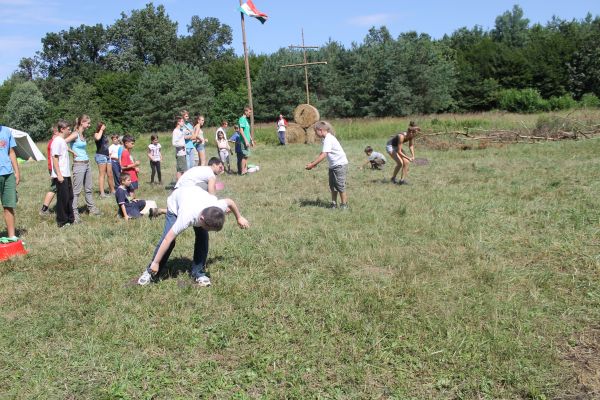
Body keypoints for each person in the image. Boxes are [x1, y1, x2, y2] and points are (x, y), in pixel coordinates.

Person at [136, 185, 249, 287]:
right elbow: (167, 239)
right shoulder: (186, 217)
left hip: (194, 195)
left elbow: (229, 201)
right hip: (176, 203)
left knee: (203, 239)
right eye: (207, 228)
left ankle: (198, 273)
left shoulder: (217, 207)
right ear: (202, 219)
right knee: (170, 241)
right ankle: (150, 272)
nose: (208, 231)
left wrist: (239, 217)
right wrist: (156, 263)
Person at [305, 121, 349, 209]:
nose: (315, 133)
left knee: (340, 185)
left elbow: (324, 154)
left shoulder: (329, 139)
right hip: (333, 165)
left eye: (315, 131)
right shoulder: (325, 139)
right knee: (332, 185)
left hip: (339, 165)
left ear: (320, 130)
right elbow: (323, 152)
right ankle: (333, 204)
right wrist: (314, 163)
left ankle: (344, 205)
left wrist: (312, 165)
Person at [66, 114, 102, 223]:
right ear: (82, 122)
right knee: (76, 191)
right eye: (88, 123)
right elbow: (62, 142)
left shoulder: (82, 134)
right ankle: (74, 213)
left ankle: (91, 208)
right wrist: (72, 152)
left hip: (86, 163)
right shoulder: (75, 134)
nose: (89, 125)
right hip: (79, 164)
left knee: (89, 188)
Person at [51, 120, 75, 227]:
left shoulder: (62, 141)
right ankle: (62, 221)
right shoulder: (57, 141)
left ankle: (70, 219)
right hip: (60, 175)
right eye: (68, 129)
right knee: (62, 198)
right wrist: (59, 174)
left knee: (69, 196)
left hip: (66, 174)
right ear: (62, 129)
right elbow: (54, 158)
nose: (70, 131)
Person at [0, 125, 20, 239]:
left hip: (8, 174)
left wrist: (17, 172)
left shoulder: (6, 131)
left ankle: (11, 236)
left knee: (8, 205)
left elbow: (11, 152)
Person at [39, 124, 59, 216]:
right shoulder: (54, 142)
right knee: (54, 188)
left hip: (54, 168)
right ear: (56, 131)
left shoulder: (53, 141)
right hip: (54, 168)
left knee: (58, 188)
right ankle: (44, 209)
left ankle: (60, 206)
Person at [94, 121, 115, 197]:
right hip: (100, 156)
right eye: (103, 126)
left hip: (107, 156)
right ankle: (102, 193)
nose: (104, 127)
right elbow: (98, 138)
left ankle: (112, 191)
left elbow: (105, 145)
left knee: (110, 174)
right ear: (100, 127)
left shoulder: (105, 135)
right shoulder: (96, 134)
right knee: (102, 174)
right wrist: (101, 130)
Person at [238, 106, 253, 174]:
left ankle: (245, 170)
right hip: (244, 141)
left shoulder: (246, 120)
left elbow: (247, 131)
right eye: (249, 112)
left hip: (247, 141)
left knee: (246, 156)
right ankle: (242, 171)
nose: (250, 114)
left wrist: (251, 140)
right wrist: (246, 140)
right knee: (245, 156)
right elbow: (241, 131)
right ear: (245, 111)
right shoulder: (242, 119)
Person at [172, 116, 187, 181]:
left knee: (182, 170)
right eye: (182, 121)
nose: (183, 123)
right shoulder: (175, 131)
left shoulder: (181, 130)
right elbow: (174, 143)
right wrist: (182, 145)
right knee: (181, 170)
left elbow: (187, 133)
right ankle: (179, 185)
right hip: (180, 153)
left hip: (183, 153)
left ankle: (180, 184)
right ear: (178, 122)